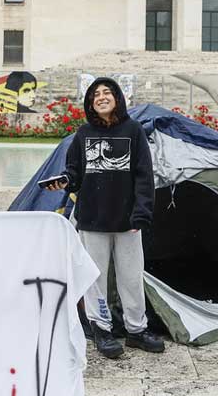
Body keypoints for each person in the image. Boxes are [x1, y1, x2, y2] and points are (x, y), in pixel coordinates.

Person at [44, 77, 162, 359]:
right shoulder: (83, 134)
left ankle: (136, 330)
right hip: (92, 220)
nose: (101, 97)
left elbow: (145, 177)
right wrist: (64, 181)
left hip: (128, 223)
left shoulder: (133, 131)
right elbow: (74, 172)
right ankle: (102, 330)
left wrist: (142, 214)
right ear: (90, 103)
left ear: (118, 98)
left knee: (131, 278)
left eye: (107, 92)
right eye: (95, 94)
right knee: (95, 279)